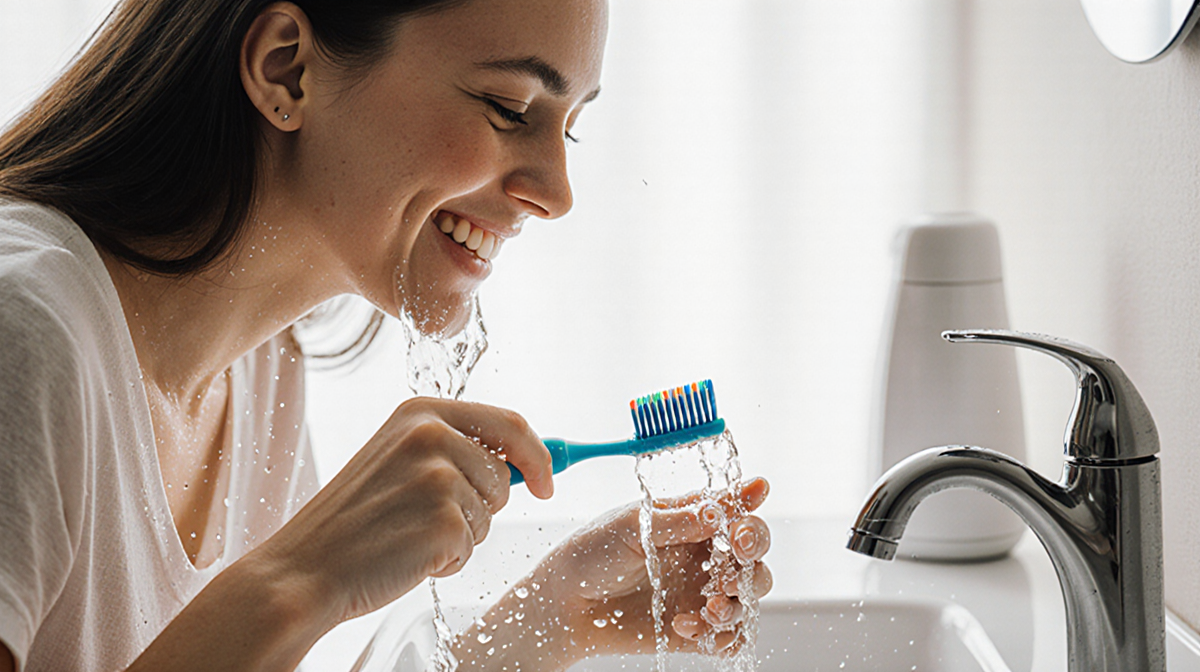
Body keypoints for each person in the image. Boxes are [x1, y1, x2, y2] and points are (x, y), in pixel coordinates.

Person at [0, 0, 772, 670]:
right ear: (287, 69)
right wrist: (297, 581)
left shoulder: (263, 361)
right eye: (508, 107)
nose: (556, 194)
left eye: (567, 131)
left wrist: (550, 617)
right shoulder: (23, 331)